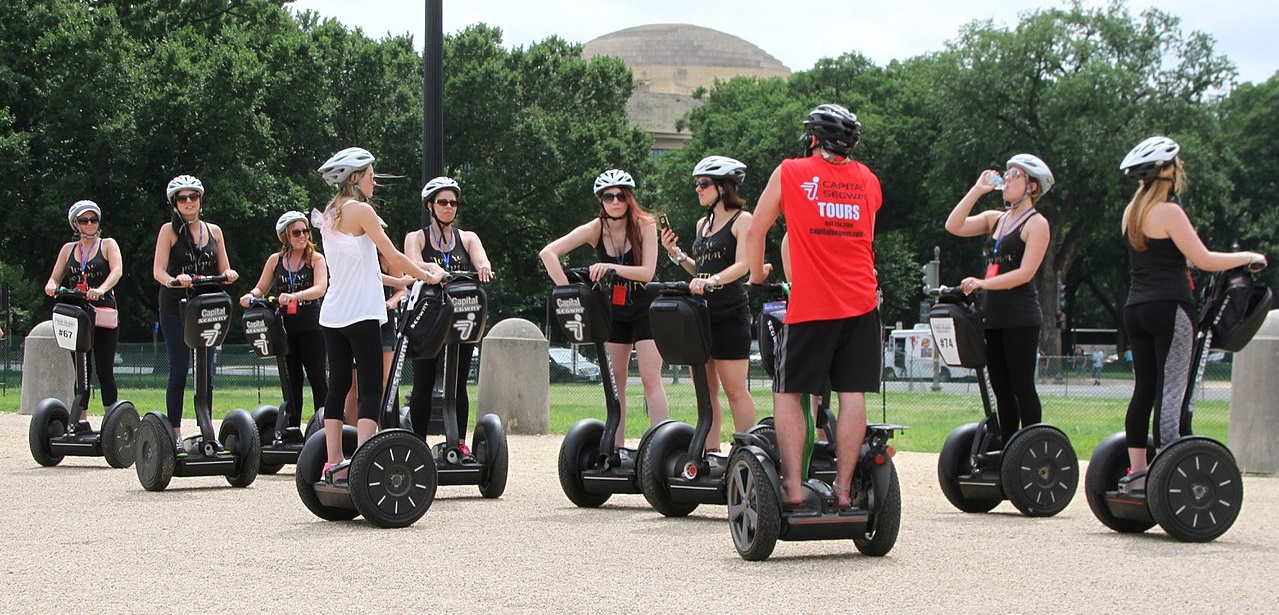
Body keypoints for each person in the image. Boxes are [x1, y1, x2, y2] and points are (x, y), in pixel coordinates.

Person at [745, 103, 881, 510]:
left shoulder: (792, 171)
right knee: (851, 393)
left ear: (813, 139)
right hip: (861, 302)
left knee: (789, 392)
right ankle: (842, 490)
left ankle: (791, 488)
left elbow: (757, 229)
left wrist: (756, 274)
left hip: (812, 305)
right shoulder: (868, 181)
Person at [1116, 135, 1266, 494]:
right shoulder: (1168, 211)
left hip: (1136, 308)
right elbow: (1205, 260)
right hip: (1170, 309)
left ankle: (1137, 472)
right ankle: (1170, 466)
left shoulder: (1132, 212)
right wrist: (1248, 257)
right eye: (1177, 165)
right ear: (1166, 171)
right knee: (1172, 391)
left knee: (1144, 390)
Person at [314, 147, 440, 482]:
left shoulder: (331, 212)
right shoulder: (361, 210)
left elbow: (357, 266)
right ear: (355, 178)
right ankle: (363, 462)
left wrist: (397, 281)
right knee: (371, 387)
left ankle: (334, 462)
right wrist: (428, 275)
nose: (374, 181)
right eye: (371, 175)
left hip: (334, 313)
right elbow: (392, 253)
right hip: (361, 314)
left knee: (338, 384)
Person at [539, 169, 669, 448]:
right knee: (615, 380)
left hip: (646, 303)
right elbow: (548, 253)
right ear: (601, 200)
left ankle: (660, 446)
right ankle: (617, 447)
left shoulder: (644, 224)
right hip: (615, 308)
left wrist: (611, 267)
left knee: (649, 377)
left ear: (629, 197)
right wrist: (571, 293)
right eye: (608, 196)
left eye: (621, 195)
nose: (615, 201)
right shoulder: (596, 227)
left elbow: (647, 272)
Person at [944, 154, 1053, 446]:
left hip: (1021, 317)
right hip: (994, 316)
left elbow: (1025, 273)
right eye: (1006, 173)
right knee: (1001, 389)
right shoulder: (997, 219)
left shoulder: (1036, 223)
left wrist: (983, 283)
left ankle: (1031, 446)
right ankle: (1008, 447)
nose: (1006, 179)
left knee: (1021, 386)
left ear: (1031, 187)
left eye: (1014, 175)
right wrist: (977, 190)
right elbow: (953, 225)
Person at [660, 156, 756, 451]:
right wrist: (676, 254)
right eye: (697, 184)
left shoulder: (743, 220)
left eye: (703, 184)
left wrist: (712, 282)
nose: (698, 189)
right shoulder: (703, 224)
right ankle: (711, 452)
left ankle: (749, 453)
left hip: (730, 314)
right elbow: (699, 270)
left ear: (724, 187)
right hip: (701, 315)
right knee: (705, 390)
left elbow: (744, 265)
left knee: (735, 389)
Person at [404, 177, 494, 458]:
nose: (448, 207)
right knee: (423, 384)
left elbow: (482, 260)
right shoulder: (416, 238)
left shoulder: (467, 238)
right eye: (442, 202)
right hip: (429, 319)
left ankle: (459, 443)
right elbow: (410, 267)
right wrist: (430, 268)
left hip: (462, 317)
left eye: (453, 202)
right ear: (430, 205)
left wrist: (483, 267)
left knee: (458, 385)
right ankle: (418, 446)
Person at [152, 175, 239, 454]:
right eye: (182, 198)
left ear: (200, 200)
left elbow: (225, 267)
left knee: (206, 373)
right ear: (175, 203)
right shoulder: (169, 231)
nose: (189, 202)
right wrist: (173, 279)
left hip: (207, 306)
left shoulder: (214, 231)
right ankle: (175, 434)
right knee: (179, 370)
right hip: (175, 307)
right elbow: (158, 270)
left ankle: (207, 432)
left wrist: (229, 274)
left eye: (193, 197)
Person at [239, 211, 329, 430]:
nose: (302, 236)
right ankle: (292, 428)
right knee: (291, 380)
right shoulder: (275, 260)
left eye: (305, 231)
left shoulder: (316, 259)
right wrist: (250, 296)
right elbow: (261, 288)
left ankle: (323, 426)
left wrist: (295, 296)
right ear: (286, 236)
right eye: (296, 232)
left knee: (317, 377)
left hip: (311, 325)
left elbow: (320, 288)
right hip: (284, 327)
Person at [44, 200, 124, 426]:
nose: (89, 224)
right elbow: (54, 277)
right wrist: (51, 285)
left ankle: (111, 423)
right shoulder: (68, 250)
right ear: (75, 224)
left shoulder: (107, 244)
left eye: (93, 219)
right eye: (84, 220)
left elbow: (117, 270)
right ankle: (81, 421)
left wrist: (101, 289)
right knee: (82, 370)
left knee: (105, 369)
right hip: (76, 317)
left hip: (102, 313)